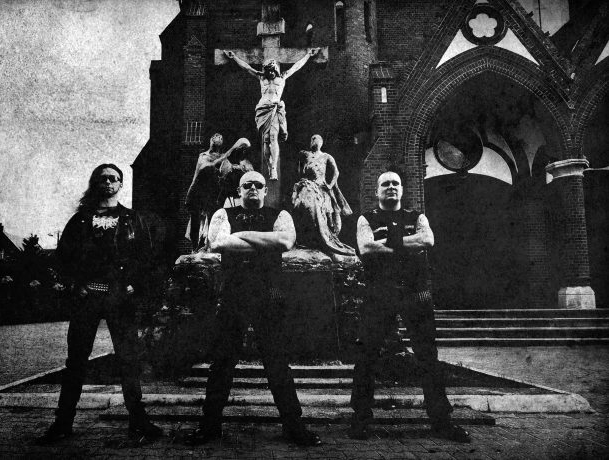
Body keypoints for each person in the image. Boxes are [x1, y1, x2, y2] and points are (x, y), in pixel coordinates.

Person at [184, 171, 322, 447]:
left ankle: (294, 426)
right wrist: (265, 242)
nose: (253, 189)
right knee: (222, 362)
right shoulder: (223, 214)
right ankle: (209, 425)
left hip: (269, 294)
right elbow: (218, 243)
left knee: (277, 362)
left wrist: (242, 235)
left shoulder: (280, 214)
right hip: (233, 294)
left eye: (259, 185)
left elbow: (285, 242)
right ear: (239, 190)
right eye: (247, 185)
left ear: (265, 190)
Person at [35, 164, 162, 445]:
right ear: (95, 183)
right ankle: (62, 423)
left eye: (114, 178)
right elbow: (62, 258)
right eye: (103, 178)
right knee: (76, 361)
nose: (108, 182)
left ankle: (138, 422)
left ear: (120, 184)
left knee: (128, 359)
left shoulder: (132, 219)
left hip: (121, 299)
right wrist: (75, 285)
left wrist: (134, 285)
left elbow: (147, 258)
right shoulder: (80, 220)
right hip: (87, 298)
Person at [350, 170, 471, 443]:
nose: (391, 187)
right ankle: (360, 420)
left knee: (428, 356)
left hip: (415, 293)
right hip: (379, 293)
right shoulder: (366, 219)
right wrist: (406, 244)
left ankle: (441, 421)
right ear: (377, 191)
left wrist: (387, 243)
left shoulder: (418, 217)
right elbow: (365, 248)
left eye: (396, 183)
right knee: (367, 355)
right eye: (385, 184)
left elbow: (427, 240)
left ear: (402, 190)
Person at [224, 48, 320, 181]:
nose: (269, 73)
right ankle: (269, 166)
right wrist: (234, 57)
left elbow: (296, 66)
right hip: (263, 110)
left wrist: (308, 55)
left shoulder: (282, 77)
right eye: (267, 71)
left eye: (271, 70)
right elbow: (247, 67)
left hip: (275, 109)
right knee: (266, 139)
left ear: (275, 69)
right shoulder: (261, 77)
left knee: (274, 137)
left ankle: (274, 167)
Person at [291, 134, 355, 256]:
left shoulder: (326, 156)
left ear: (321, 142)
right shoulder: (306, 154)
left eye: (316, 139)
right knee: (301, 204)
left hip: (322, 188)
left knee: (322, 210)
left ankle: (324, 239)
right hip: (308, 186)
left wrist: (330, 185)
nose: (313, 141)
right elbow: (299, 169)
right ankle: (307, 238)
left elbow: (336, 172)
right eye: (312, 139)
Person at [185, 134, 251, 250]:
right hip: (197, 192)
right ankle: (194, 249)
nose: (218, 137)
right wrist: (232, 148)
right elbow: (207, 166)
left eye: (221, 137)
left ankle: (207, 247)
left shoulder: (223, 158)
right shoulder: (203, 155)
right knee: (195, 222)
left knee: (212, 220)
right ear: (211, 140)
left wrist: (241, 167)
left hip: (210, 195)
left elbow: (229, 170)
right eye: (216, 136)